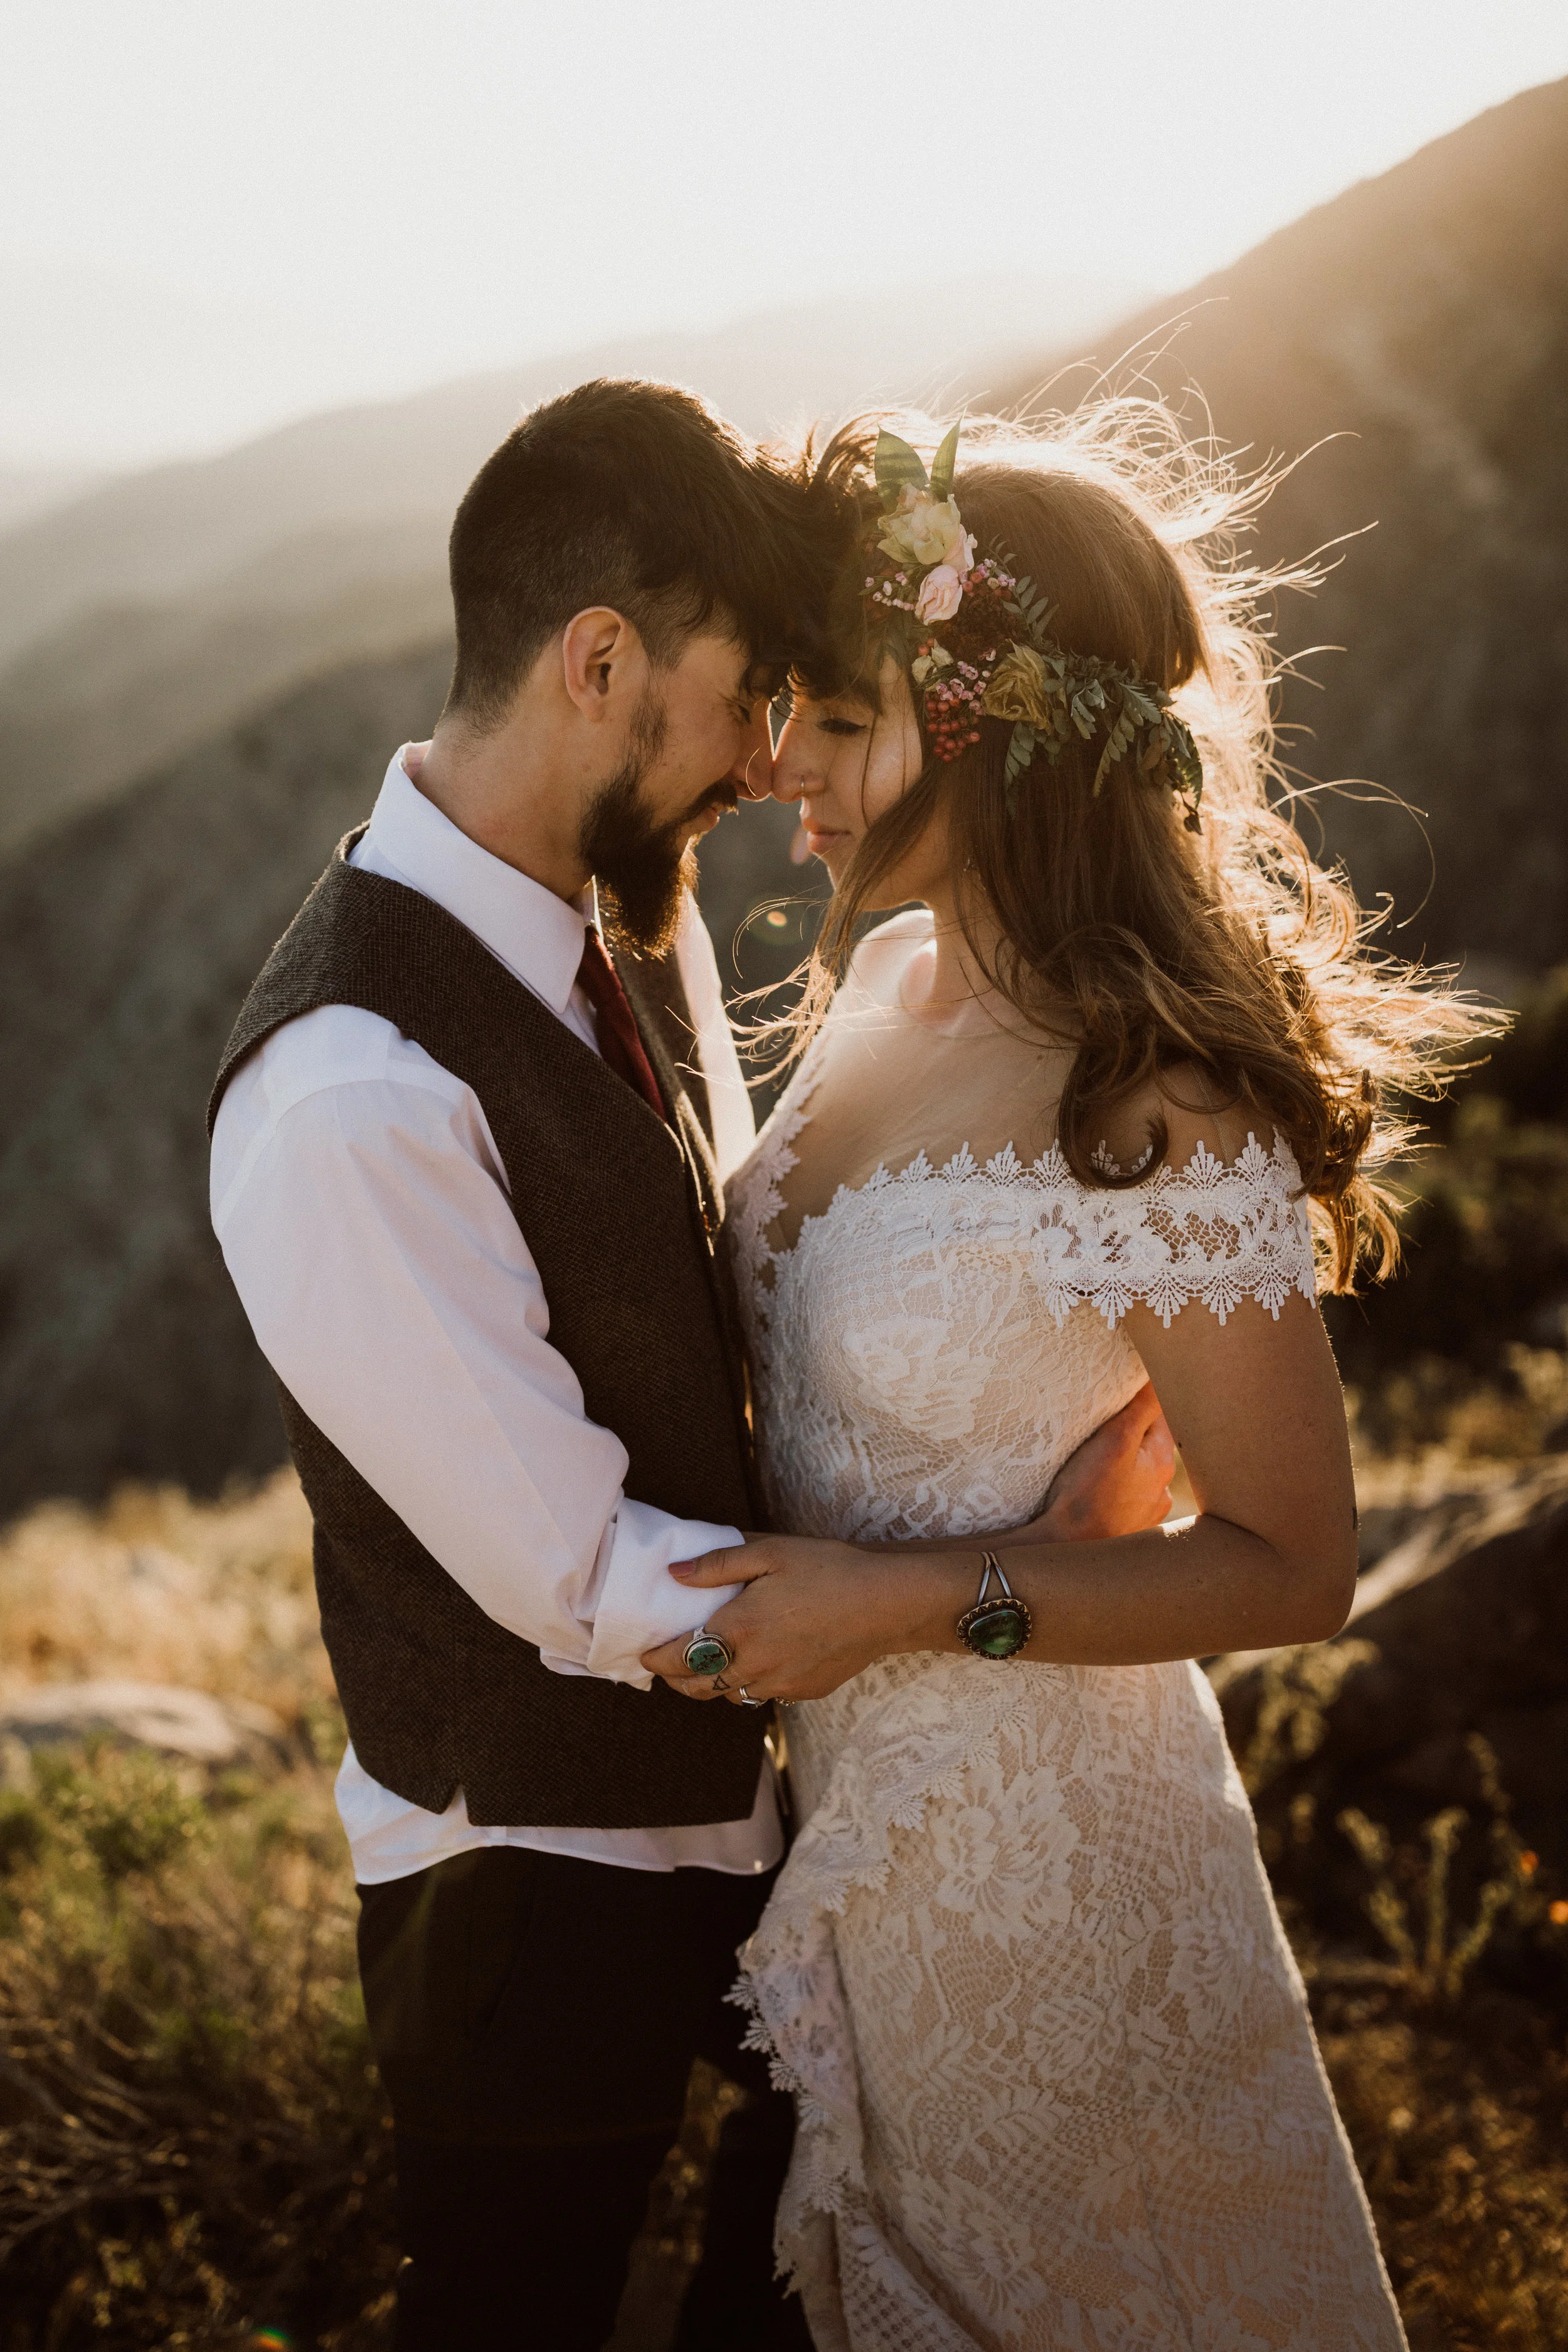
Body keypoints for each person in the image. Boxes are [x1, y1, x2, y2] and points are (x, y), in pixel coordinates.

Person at [207, 379, 1170, 2351]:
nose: (765, 758)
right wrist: (989, 1591)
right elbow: (587, 1583)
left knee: (820, 2258)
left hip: (752, 1822)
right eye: (747, 698)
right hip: (530, 1884)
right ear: (596, 661)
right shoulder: (347, 1087)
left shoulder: (604, 915)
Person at [644, 411, 1485, 2349]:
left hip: (1068, 1897)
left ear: (990, 725)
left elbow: (1293, 1563)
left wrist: (920, 1597)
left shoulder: (1152, 1097)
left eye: (836, 721)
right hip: (857, 1878)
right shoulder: (876, 1001)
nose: (782, 771)